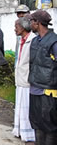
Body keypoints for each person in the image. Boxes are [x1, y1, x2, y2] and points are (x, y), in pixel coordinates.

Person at [28, 10, 57, 145]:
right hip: (35, 87)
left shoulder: (54, 42)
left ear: (37, 23)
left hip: (48, 90)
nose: (29, 24)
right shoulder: (34, 41)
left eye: (31, 21)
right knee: (36, 122)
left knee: (49, 125)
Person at [12, 17, 36, 143]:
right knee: (20, 106)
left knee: (27, 107)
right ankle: (20, 130)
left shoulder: (32, 40)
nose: (15, 29)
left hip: (27, 79)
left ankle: (29, 134)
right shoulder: (21, 40)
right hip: (20, 78)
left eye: (16, 27)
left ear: (22, 27)